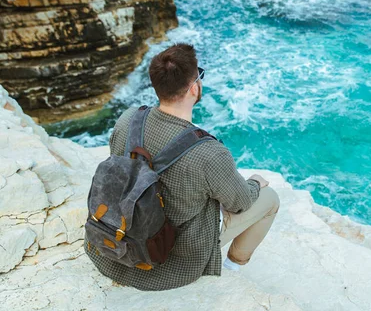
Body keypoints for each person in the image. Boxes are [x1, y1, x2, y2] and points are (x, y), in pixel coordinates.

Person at [85, 43, 280, 291]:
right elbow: (239, 202)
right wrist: (254, 182)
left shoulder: (128, 119)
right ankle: (233, 268)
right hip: (169, 266)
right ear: (193, 88)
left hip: (110, 247)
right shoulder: (209, 153)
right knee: (270, 199)